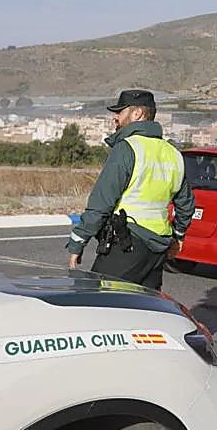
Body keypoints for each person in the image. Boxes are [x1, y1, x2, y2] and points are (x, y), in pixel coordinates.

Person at [66, 89, 193, 292]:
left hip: (127, 243)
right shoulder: (173, 154)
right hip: (158, 249)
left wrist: (78, 242)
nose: (115, 117)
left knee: (97, 299)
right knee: (144, 307)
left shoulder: (127, 148)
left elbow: (101, 203)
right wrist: (177, 237)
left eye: (119, 111)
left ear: (137, 114)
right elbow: (186, 205)